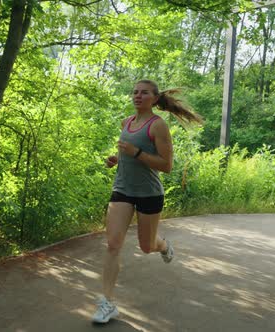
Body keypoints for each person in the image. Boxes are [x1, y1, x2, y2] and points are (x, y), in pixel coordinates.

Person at [92, 79, 203, 324]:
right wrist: (117, 160)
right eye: (135, 92)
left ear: (154, 98)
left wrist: (136, 153)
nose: (138, 96)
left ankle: (163, 246)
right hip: (122, 190)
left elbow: (166, 165)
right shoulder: (126, 123)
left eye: (144, 93)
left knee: (146, 245)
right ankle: (107, 303)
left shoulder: (158, 126)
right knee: (112, 244)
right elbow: (128, 157)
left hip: (149, 193)